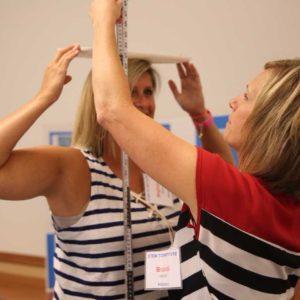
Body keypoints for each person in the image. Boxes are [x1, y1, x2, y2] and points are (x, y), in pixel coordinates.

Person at [89, 0, 300, 299]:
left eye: (247, 95)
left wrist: (101, 20)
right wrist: (199, 115)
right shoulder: (281, 207)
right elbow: (230, 187)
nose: (233, 101)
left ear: (270, 123)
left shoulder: (230, 195)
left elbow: (112, 109)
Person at [0, 46, 232, 299]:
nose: (143, 103)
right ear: (102, 100)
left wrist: (198, 114)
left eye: (148, 92)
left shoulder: (161, 164)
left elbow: (224, 180)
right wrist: (44, 97)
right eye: (131, 92)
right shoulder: (73, 166)